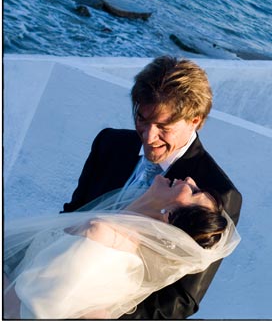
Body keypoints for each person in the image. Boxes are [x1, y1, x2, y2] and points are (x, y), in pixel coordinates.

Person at [61, 56, 243, 319]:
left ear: (195, 120)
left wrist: (97, 312)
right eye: (142, 119)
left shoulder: (217, 193)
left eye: (163, 127)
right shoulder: (109, 143)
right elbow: (72, 213)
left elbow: (182, 300)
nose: (148, 136)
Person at [4, 176, 241, 319]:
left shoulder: (101, 237)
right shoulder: (113, 234)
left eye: (194, 192)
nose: (189, 180)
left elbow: (24, 313)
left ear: (170, 217)